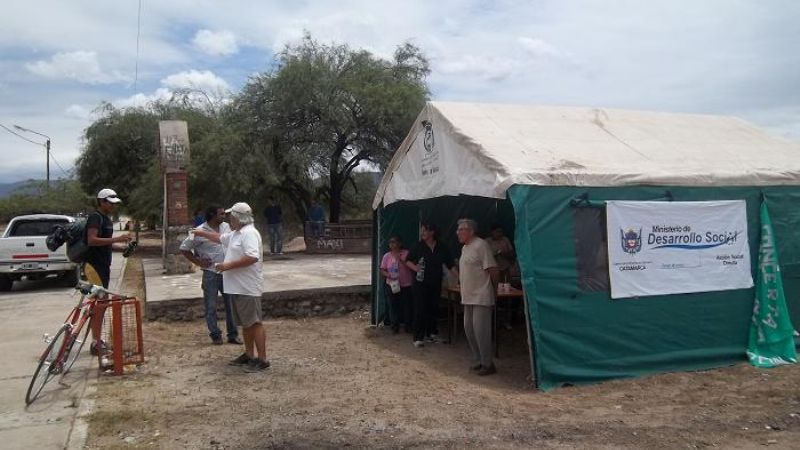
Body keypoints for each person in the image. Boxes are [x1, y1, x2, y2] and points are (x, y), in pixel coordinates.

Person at [194, 202, 268, 372]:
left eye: (231, 216)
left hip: (247, 286)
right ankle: (249, 354)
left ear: (238, 217)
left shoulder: (249, 233)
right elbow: (219, 238)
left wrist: (227, 266)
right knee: (246, 323)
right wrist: (200, 232)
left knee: (254, 322)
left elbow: (252, 257)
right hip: (236, 287)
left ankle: (262, 359)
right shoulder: (235, 233)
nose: (228, 219)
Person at [180, 206, 241, 345]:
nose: (224, 216)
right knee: (211, 306)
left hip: (227, 272)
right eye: (221, 214)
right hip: (210, 273)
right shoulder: (197, 230)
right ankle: (215, 334)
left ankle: (233, 334)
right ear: (213, 215)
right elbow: (184, 248)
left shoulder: (227, 227)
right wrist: (198, 261)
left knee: (231, 305)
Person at [85, 188, 132, 358]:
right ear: (101, 202)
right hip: (93, 267)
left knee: (100, 305)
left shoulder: (106, 219)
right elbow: (92, 240)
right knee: (101, 304)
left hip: (103, 266)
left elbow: (105, 244)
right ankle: (96, 342)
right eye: (110, 203)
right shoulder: (95, 218)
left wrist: (122, 247)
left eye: (114, 203)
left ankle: (96, 340)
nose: (113, 206)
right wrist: (116, 239)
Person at [456, 218, 499, 376]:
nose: (458, 232)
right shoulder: (465, 248)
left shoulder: (481, 245)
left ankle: (488, 364)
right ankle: (478, 359)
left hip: (481, 295)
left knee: (481, 331)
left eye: (462, 229)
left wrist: (494, 291)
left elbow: (493, 269)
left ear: (471, 231)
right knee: (469, 329)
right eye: (458, 229)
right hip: (468, 296)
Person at [406, 222, 454, 348]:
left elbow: (450, 264)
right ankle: (418, 337)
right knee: (420, 309)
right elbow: (408, 260)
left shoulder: (442, 247)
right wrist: (415, 268)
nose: (422, 233)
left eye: (424, 231)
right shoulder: (418, 246)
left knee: (433, 308)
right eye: (422, 231)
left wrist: (460, 278)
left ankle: (432, 333)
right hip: (420, 284)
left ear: (432, 232)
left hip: (435, 282)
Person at [380, 236, 414, 333]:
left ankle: (408, 326)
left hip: (405, 284)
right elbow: (382, 269)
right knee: (393, 306)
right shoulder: (387, 256)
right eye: (390, 242)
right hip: (392, 284)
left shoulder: (406, 253)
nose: (392, 244)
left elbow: (411, 265)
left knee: (407, 306)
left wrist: (400, 259)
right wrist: (388, 275)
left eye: (394, 242)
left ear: (400, 243)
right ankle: (394, 326)